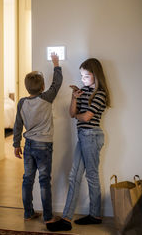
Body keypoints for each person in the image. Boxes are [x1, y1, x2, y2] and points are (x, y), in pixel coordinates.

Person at [46, 58, 110, 232]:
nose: (83, 79)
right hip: (83, 136)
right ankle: (67, 219)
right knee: (74, 176)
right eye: (81, 75)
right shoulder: (82, 91)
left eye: (87, 76)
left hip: (92, 136)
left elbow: (87, 117)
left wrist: (79, 116)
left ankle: (95, 215)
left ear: (96, 75)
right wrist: (74, 98)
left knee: (91, 176)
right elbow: (72, 113)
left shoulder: (100, 93)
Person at [13, 53, 63, 223]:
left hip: (28, 145)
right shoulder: (46, 98)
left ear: (27, 88)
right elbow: (57, 84)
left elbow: (17, 125)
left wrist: (15, 144)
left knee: (27, 179)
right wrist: (56, 64)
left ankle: (28, 213)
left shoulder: (21, 102)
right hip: (44, 146)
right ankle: (48, 217)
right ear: (42, 87)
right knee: (44, 181)